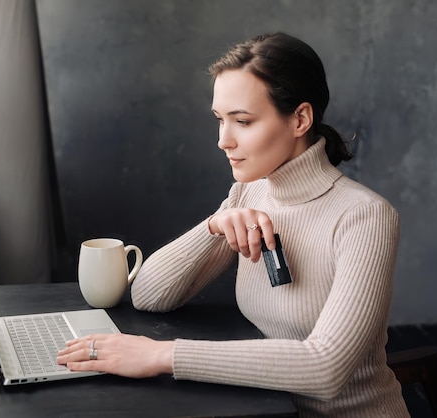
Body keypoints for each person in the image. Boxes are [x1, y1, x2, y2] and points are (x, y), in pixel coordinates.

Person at [57, 32, 409, 417]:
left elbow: (325, 368)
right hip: (266, 408)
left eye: (242, 121)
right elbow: (148, 296)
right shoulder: (250, 194)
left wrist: (161, 354)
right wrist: (214, 226)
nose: (224, 140)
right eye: (219, 120)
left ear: (300, 119)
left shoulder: (364, 216)